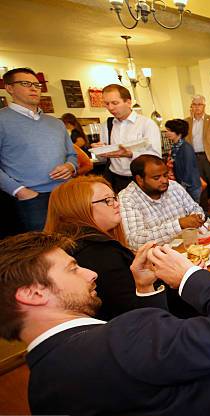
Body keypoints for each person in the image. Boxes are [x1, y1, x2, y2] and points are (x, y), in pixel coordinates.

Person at [0, 232, 210, 416]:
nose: (90, 273)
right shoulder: (128, 338)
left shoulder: (39, 400)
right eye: (72, 269)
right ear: (33, 294)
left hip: (195, 415)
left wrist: (146, 288)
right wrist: (189, 274)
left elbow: (152, 350)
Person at [44, 176, 168, 320]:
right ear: (80, 208)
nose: (116, 204)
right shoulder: (100, 254)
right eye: (107, 200)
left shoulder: (72, 245)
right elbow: (134, 311)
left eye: (115, 198)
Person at [0, 67, 77, 231]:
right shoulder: (2, 120)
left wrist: (70, 166)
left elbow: (71, 155)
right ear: (9, 88)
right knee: (44, 249)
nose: (34, 88)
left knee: (75, 240)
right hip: (31, 199)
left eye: (37, 84)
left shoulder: (55, 123)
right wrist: (20, 191)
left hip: (66, 193)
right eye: (26, 83)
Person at [119, 154, 207, 249]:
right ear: (140, 179)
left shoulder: (173, 186)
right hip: (156, 258)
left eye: (165, 175)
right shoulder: (127, 199)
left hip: (188, 246)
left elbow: (195, 208)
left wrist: (196, 218)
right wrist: (178, 225)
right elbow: (134, 241)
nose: (164, 180)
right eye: (156, 178)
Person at [93, 84, 162, 193]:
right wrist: (99, 151)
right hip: (115, 179)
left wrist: (130, 154)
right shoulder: (106, 126)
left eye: (115, 103)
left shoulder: (146, 124)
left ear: (128, 102)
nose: (110, 108)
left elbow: (156, 157)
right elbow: (103, 159)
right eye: (107, 104)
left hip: (139, 180)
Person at [164, 119, 202, 202]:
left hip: (190, 186)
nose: (167, 133)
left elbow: (189, 170)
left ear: (179, 133)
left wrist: (182, 187)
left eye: (170, 131)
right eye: (167, 130)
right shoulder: (175, 146)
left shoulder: (185, 147)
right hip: (183, 184)